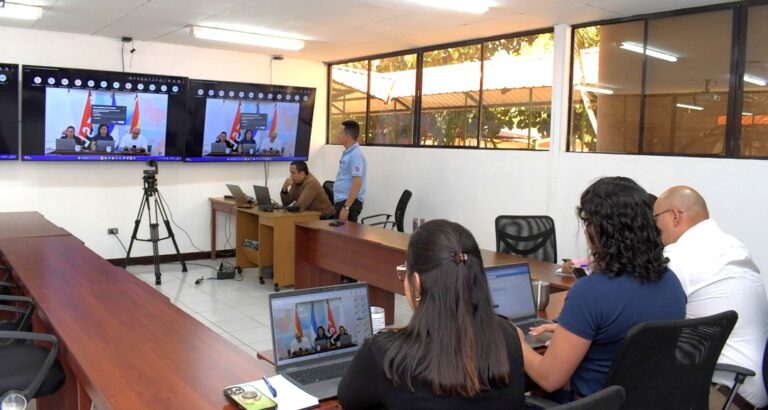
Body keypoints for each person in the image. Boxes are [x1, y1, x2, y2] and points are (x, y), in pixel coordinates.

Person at [518, 177, 686, 401]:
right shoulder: (672, 282)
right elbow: (623, 332)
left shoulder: (590, 292)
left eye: (588, 223)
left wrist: (517, 341)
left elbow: (549, 379)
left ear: (599, 231)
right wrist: (574, 332)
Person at [338, 219, 526, 409]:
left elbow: (348, 400)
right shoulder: (509, 336)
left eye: (405, 272)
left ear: (417, 285)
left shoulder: (385, 354)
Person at [654, 186, 768, 409]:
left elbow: (643, 312)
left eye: (655, 218)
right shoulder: (732, 245)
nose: (654, 227)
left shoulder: (679, 256)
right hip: (752, 386)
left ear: (675, 216)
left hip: (723, 393)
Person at [333, 120, 367, 222]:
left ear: (347, 137)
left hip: (348, 204)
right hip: (342, 201)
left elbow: (357, 182)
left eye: (340, 133)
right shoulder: (349, 153)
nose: (338, 135)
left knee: (344, 237)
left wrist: (346, 207)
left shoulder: (355, 154)